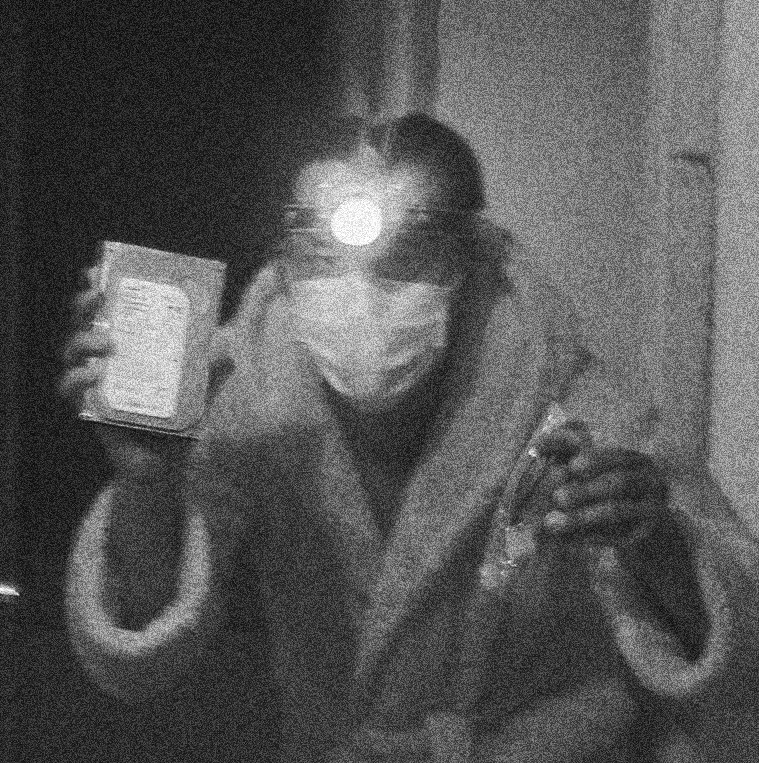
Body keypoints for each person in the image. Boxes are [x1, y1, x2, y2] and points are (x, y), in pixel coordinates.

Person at [60, 113, 759, 763]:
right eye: (319, 252)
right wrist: (145, 477)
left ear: (468, 259)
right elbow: (141, 652)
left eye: (409, 252)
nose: (359, 288)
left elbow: (742, 670)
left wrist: (655, 541)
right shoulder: (248, 402)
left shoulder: (576, 408)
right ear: (284, 258)